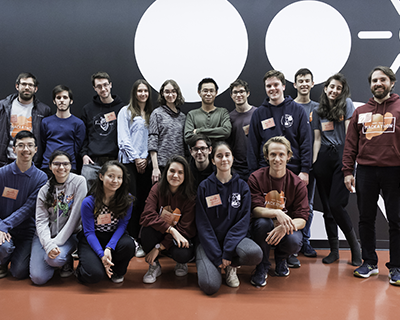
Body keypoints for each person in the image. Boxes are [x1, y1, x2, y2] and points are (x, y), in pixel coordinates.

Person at [247, 70, 312, 268]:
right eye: (269, 86)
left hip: (293, 172)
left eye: (276, 85)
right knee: (264, 219)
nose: (273, 89)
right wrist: (253, 173)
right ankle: (264, 261)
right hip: (266, 172)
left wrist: (305, 170)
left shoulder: (297, 111)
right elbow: (253, 145)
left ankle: (287, 254)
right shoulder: (259, 113)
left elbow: (306, 142)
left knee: (296, 211)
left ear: (284, 86)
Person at [342, 66, 400, 286]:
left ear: (391, 82)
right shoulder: (360, 111)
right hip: (365, 170)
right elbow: (350, 145)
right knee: (366, 218)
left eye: (382, 80)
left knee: (396, 220)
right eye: (374, 80)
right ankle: (369, 263)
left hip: (395, 170)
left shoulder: (399, 107)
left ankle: (396, 267)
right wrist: (348, 171)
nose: (378, 83)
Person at [196, 141, 262, 295]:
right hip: (208, 243)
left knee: (255, 254)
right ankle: (216, 265)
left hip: (233, 241)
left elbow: (242, 222)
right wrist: (217, 255)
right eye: (219, 156)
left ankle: (231, 266)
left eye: (227, 155)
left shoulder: (242, 187)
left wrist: (227, 251)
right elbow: (203, 225)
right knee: (210, 287)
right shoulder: (204, 187)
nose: (224, 159)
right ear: (213, 160)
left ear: (232, 158)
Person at [313, 73, 361, 265]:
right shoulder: (318, 110)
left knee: (336, 205)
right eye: (331, 87)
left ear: (342, 91)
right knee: (327, 209)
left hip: (342, 156)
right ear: (326, 88)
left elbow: (351, 136)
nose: (334, 90)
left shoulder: (347, 104)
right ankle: (334, 251)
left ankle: (355, 248)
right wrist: (315, 164)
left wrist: (351, 164)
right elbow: (317, 139)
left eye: (338, 88)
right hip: (323, 157)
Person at [248, 136, 309, 286]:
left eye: (281, 154)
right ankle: (262, 265)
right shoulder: (255, 178)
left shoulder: (297, 183)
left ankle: (281, 259)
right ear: (266, 157)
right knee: (263, 223)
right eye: (273, 154)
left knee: (294, 239)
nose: (277, 159)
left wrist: (284, 226)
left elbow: (302, 219)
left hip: (286, 227)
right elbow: (255, 210)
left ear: (288, 156)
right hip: (264, 224)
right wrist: (277, 213)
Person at [30, 150, 87, 285]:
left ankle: (64, 261)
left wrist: (56, 243)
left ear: (71, 165)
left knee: (54, 259)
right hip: (45, 236)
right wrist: (48, 244)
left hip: (69, 235)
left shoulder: (79, 182)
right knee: (38, 278)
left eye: (65, 164)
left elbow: (75, 218)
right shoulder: (44, 190)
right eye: (57, 164)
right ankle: (52, 261)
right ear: (50, 166)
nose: (61, 168)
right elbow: (41, 221)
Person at [76, 161, 136, 284]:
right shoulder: (89, 202)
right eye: (111, 176)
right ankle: (84, 269)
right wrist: (101, 254)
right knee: (94, 275)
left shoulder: (127, 200)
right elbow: (89, 232)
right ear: (101, 176)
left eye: (119, 177)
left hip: (114, 237)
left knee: (129, 245)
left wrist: (109, 247)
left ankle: (117, 271)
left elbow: (122, 226)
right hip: (93, 239)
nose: (115, 181)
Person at [140, 155, 196, 284]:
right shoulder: (157, 188)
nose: (175, 175)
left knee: (183, 254)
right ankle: (154, 265)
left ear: (185, 176)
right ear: (166, 172)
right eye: (172, 171)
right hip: (162, 232)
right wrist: (171, 230)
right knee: (146, 231)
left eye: (180, 172)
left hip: (178, 237)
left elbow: (185, 228)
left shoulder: (190, 196)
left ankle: (181, 263)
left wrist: (159, 248)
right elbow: (147, 215)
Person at [0, 131, 47, 279]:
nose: (25, 149)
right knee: (4, 248)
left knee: (19, 272)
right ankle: (3, 261)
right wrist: (1, 226)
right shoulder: (2, 174)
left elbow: (28, 208)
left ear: (35, 150)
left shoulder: (41, 178)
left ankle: (13, 257)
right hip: (3, 228)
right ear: (14, 149)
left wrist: (5, 225)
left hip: (27, 231)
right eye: (20, 145)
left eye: (29, 145)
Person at [118, 79, 153, 256]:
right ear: (134, 92)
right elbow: (123, 139)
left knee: (145, 200)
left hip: (146, 163)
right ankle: (131, 239)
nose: (143, 94)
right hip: (129, 163)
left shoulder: (151, 113)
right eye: (139, 91)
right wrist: (136, 158)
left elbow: (153, 139)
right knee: (131, 201)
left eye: (145, 91)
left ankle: (141, 238)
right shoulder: (125, 111)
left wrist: (145, 158)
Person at [80, 72, 124, 190]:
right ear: (94, 88)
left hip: (114, 161)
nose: (103, 89)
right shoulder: (88, 109)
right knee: (87, 196)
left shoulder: (122, 109)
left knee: (113, 198)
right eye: (99, 86)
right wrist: (84, 155)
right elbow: (83, 136)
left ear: (110, 85)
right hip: (92, 162)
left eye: (105, 85)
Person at [0, 72, 51, 168]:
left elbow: (46, 138)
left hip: (31, 162)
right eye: (23, 84)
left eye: (30, 85)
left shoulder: (44, 110)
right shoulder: (3, 106)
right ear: (17, 86)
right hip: (6, 160)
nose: (27, 87)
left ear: (35, 89)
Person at [293, 68, 318, 258]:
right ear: (294, 85)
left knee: (307, 206)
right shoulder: (288, 108)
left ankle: (305, 241)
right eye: (300, 80)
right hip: (290, 166)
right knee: (289, 204)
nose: (303, 84)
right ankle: (291, 242)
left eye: (306, 80)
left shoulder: (318, 109)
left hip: (310, 166)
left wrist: (308, 166)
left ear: (312, 84)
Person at [41, 85, 86, 174]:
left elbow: (78, 147)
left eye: (65, 97)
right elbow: (42, 143)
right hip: (47, 166)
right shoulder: (45, 122)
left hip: (69, 167)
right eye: (58, 97)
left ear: (71, 101)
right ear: (54, 101)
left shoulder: (78, 123)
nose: (62, 100)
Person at [148, 79, 186, 184]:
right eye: (167, 92)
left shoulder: (183, 117)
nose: (170, 94)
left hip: (178, 166)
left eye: (173, 91)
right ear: (162, 94)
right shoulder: (157, 114)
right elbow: (152, 141)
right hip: (161, 165)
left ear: (177, 93)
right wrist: (155, 168)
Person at [184, 78, 231, 146]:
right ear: (199, 92)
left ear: (216, 93)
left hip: (218, 154)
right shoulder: (192, 114)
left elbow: (226, 132)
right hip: (199, 154)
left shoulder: (223, 112)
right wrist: (216, 133)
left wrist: (198, 131)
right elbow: (188, 137)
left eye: (211, 91)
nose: (208, 94)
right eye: (205, 91)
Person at [228, 79, 256, 181]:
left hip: (254, 166)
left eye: (241, 91)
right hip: (236, 168)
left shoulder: (257, 114)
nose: (238, 95)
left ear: (247, 93)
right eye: (235, 92)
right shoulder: (229, 117)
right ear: (231, 96)